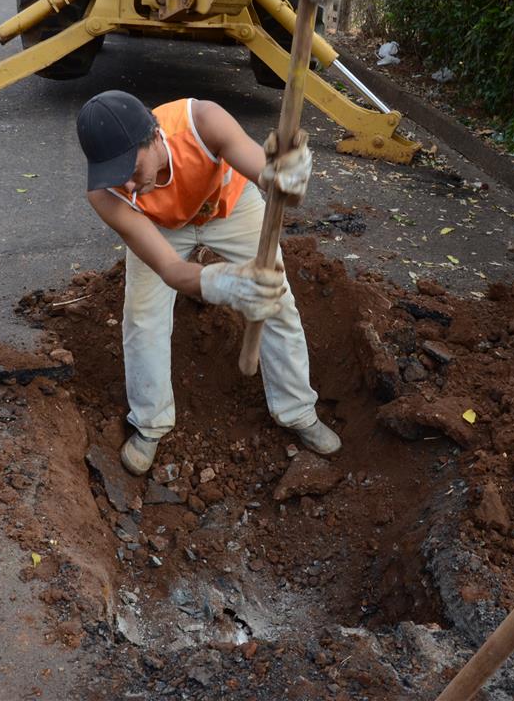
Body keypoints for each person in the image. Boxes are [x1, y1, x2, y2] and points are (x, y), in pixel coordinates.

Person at [75, 90, 341, 476]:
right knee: (143, 317)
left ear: (153, 136)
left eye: (132, 171)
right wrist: (226, 284)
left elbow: (270, 179)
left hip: (230, 209)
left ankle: (297, 411)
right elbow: (170, 270)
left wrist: (287, 177)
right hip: (161, 229)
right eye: (116, 176)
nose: (128, 186)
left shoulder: (202, 121)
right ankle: (150, 422)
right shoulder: (104, 195)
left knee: (276, 299)